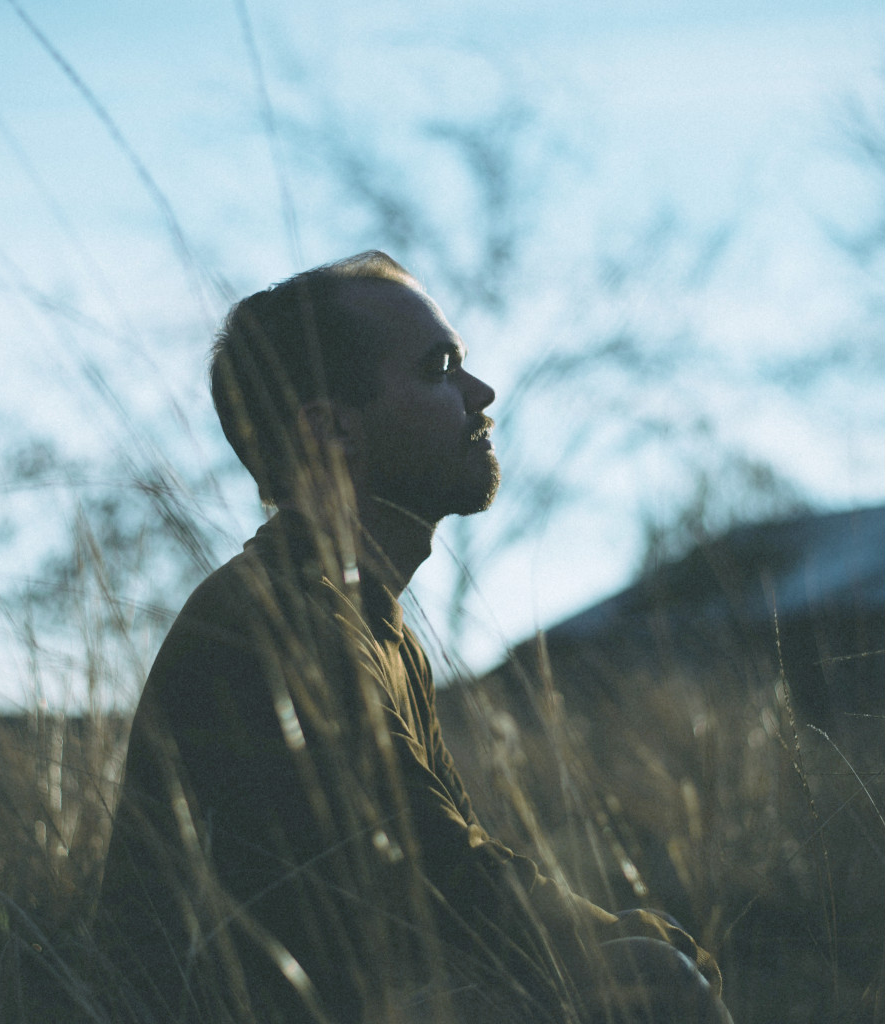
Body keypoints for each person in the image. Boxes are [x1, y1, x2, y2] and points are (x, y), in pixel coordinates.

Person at [93, 251, 732, 1023]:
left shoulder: (374, 624)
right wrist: (623, 951)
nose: (481, 393)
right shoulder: (281, 622)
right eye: (441, 368)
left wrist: (627, 944)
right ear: (331, 428)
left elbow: (451, 864)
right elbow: (436, 881)